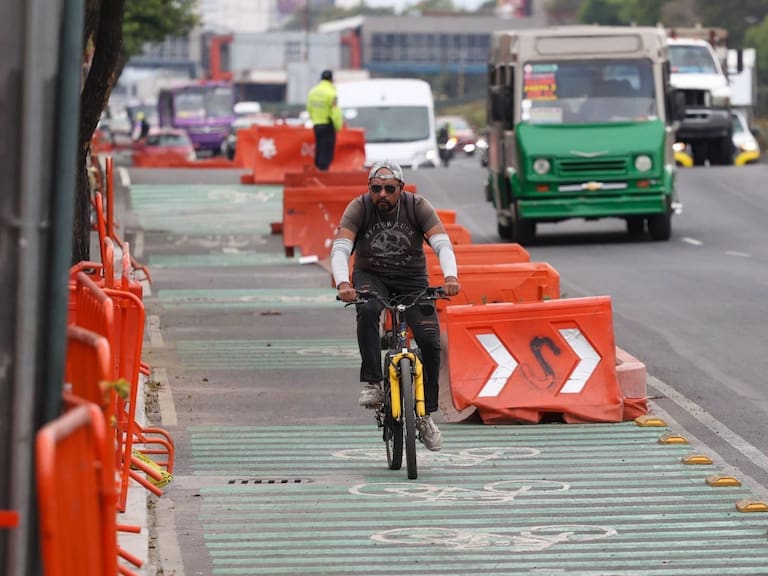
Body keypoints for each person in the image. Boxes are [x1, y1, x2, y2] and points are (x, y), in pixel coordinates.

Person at [330, 161, 461, 451]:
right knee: (366, 310)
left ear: (401, 188)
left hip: (412, 279)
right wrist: (343, 284)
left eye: (390, 189)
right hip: (371, 277)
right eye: (376, 189)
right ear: (369, 189)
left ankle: (425, 414)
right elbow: (340, 249)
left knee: (429, 339)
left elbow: (442, 244)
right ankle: (374, 383)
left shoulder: (418, 207)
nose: (383, 195)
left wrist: (451, 277)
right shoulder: (359, 208)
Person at [306, 70, 343, 170]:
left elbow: (309, 108)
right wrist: (338, 125)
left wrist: (314, 119)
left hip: (317, 124)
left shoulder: (313, 91)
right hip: (328, 124)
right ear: (331, 79)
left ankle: (318, 169)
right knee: (327, 150)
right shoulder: (331, 92)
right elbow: (335, 111)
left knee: (319, 148)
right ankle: (324, 171)